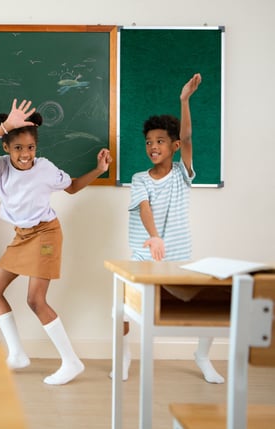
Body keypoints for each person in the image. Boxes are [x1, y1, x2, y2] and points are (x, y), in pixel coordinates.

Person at [0, 99, 112, 385]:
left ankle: (71, 362)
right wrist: (4, 127)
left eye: (31, 148)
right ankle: (17, 354)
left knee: (35, 299)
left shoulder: (45, 168)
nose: (26, 154)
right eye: (19, 148)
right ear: (6, 147)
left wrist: (97, 170)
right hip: (22, 236)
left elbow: (70, 187)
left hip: (46, 234)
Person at [119, 73, 224, 384]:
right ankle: (124, 355)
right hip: (144, 253)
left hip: (178, 255)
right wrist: (153, 237)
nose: (153, 146)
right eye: (149, 142)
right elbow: (144, 207)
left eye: (161, 141)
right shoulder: (139, 178)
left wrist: (184, 100)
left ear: (175, 146)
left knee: (208, 305)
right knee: (123, 309)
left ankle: (202, 355)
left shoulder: (182, 173)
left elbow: (189, 138)